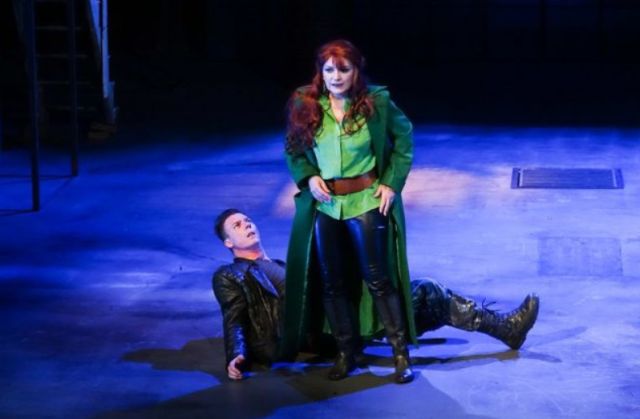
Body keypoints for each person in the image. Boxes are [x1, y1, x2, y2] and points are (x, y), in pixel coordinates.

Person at [212, 209, 540, 381]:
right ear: (228, 243)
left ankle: (502, 328)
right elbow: (233, 317)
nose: (247, 225)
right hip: (322, 333)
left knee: (426, 296)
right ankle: (504, 327)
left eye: (248, 220)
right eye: (237, 226)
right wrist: (235, 353)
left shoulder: (280, 265)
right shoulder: (231, 275)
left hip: (339, 315)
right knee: (427, 293)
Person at [283, 39, 417, 384]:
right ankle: (347, 351)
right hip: (327, 204)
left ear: (357, 70)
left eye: (343, 69)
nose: (336, 76)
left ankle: (400, 353)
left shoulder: (376, 102)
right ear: (320, 72)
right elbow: (293, 148)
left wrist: (392, 182)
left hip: (366, 199)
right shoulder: (305, 102)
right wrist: (308, 177)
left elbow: (404, 139)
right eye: (329, 69)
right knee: (333, 282)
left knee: (378, 279)